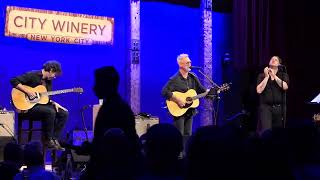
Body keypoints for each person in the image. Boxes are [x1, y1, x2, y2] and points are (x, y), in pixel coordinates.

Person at [80, 66, 141, 179]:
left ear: (106, 85)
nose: (94, 88)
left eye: (97, 83)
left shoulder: (112, 109)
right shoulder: (120, 107)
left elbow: (110, 148)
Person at [10, 61, 68, 150]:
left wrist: (53, 103)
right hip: (26, 108)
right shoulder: (33, 75)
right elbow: (13, 80)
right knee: (50, 112)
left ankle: (54, 138)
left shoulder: (48, 82)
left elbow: (45, 98)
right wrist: (28, 92)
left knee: (64, 113)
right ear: (51, 70)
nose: (55, 77)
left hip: (39, 106)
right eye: (54, 74)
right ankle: (48, 140)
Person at [162, 53, 208, 137]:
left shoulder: (193, 77)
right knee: (179, 134)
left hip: (189, 111)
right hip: (178, 111)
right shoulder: (174, 79)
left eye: (190, 62)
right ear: (180, 64)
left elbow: (201, 89)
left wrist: (210, 91)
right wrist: (177, 99)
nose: (190, 64)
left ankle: (186, 150)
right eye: (187, 63)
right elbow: (164, 92)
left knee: (188, 134)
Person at [256, 56, 289, 134]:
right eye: (272, 59)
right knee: (267, 131)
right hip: (266, 108)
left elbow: (285, 87)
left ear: (279, 64)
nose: (273, 60)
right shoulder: (261, 76)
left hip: (279, 108)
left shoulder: (283, 75)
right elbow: (259, 90)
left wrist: (274, 75)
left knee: (278, 133)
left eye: (276, 59)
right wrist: (267, 77)